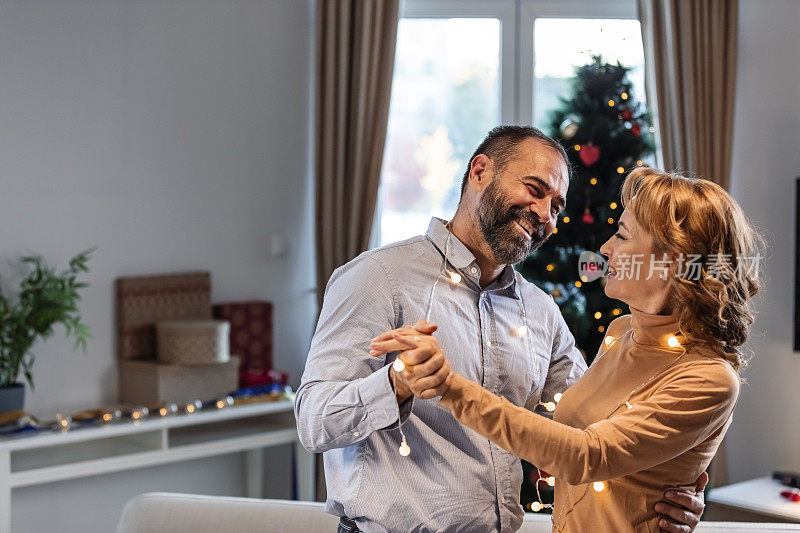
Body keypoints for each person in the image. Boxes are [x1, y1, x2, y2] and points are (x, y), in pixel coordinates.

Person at [295, 126, 706, 532]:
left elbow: (590, 432)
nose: (545, 215)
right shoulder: (378, 277)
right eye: (534, 189)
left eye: (557, 206)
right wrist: (397, 382)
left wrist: (671, 488)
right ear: (479, 172)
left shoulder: (541, 312)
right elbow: (313, 421)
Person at [372, 167, 761, 532]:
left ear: (671, 262)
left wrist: (450, 388)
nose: (605, 249)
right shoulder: (622, 331)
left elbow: (584, 456)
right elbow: (578, 436)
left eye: (623, 235)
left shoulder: (709, 378)